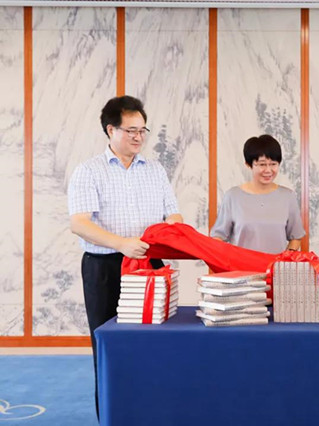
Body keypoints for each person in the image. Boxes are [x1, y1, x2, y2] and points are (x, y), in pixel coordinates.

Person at [68, 95, 183, 418]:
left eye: (142, 130)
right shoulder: (89, 171)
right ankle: (111, 416)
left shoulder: (155, 170)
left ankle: (153, 412)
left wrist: (174, 233)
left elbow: (173, 215)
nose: (138, 137)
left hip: (151, 265)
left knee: (155, 341)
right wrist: (121, 244)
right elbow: (79, 223)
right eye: (131, 130)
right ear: (111, 130)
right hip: (105, 267)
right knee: (108, 343)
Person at [210, 134, 305, 254]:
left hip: (275, 266)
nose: (268, 170)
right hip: (241, 265)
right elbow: (218, 237)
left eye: (273, 164)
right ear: (248, 164)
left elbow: (296, 236)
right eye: (262, 164)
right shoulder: (232, 196)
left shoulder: (288, 197)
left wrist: (287, 256)